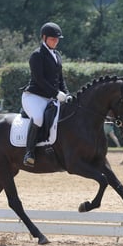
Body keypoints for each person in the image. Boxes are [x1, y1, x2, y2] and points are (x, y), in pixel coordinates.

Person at [21, 22, 70, 167]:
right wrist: (56, 93)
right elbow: (40, 80)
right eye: (53, 39)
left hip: (50, 97)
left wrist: (67, 94)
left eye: (57, 39)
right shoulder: (37, 55)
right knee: (38, 118)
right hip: (34, 97)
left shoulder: (57, 55)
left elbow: (60, 79)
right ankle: (29, 153)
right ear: (44, 37)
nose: (56, 41)